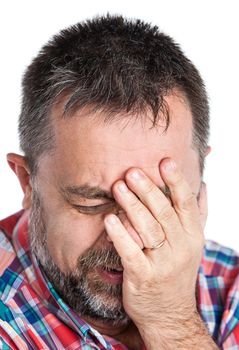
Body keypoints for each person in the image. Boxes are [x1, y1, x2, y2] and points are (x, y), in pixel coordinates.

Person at [0, 14, 238, 350]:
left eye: (160, 200)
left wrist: (169, 319)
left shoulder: (231, 284)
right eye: (92, 203)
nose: (130, 237)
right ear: (27, 182)